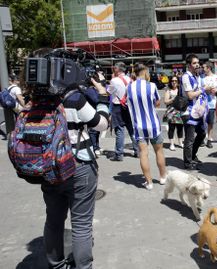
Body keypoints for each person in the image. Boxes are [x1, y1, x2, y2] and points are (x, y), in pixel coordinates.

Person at [27, 48, 111, 269]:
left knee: (53, 222)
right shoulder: (73, 98)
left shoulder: (35, 99)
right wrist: (102, 96)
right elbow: (101, 124)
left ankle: (56, 264)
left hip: (48, 166)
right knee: (81, 225)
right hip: (78, 165)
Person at [126, 63, 168, 189]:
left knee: (143, 153)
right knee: (159, 151)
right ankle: (162, 177)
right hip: (153, 125)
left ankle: (149, 183)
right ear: (144, 72)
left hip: (139, 126)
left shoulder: (129, 87)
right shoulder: (152, 86)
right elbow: (157, 103)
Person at [107, 62, 139, 161]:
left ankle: (119, 154)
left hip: (118, 107)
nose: (113, 69)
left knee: (120, 130)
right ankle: (137, 151)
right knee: (131, 129)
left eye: (114, 68)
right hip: (128, 106)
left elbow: (109, 92)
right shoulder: (130, 79)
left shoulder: (114, 80)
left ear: (118, 69)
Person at [182, 54, 207, 170]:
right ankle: (188, 163)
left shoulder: (196, 76)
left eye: (198, 62)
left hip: (197, 111)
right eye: (194, 63)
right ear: (189, 65)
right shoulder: (186, 76)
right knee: (189, 139)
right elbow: (190, 95)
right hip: (189, 112)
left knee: (202, 134)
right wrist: (203, 89)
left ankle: (192, 155)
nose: (197, 65)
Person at [202, 61, 217, 149]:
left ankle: (209, 139)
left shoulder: (216, 77)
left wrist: (206, 89)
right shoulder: (202, 78)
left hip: (212, 104)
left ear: (208, 68)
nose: (203, 69)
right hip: (202, 104)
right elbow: (203, 89)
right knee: (202, 122)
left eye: (204, 67)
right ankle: (202, 138)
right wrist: (206, 89)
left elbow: (214, 90)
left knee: (210, 122)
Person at [163, 76, 184, 151]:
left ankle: (180, 142)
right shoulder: (168, 90)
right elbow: (165, 101)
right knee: (171, 128)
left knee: (180, 128)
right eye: (172, 81)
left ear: (178, 82)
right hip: (171, 111)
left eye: (175, 81)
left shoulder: (181, 90)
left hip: (180, 111)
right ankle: (171, 144)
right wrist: (173, 99)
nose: (174, 82)